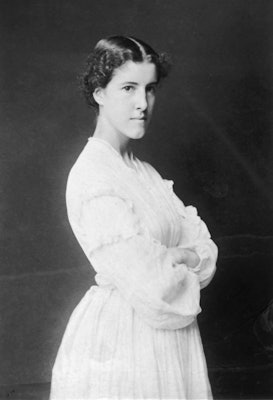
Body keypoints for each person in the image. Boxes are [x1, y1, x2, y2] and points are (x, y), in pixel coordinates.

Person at [50, 35, 218, 400]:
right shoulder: (93, 174)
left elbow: (204, 250)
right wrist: (180, 258)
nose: (142, 103)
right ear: (99, 92)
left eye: (150, 89)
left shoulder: (146, 173)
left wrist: (181, 257)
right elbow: (153, 287)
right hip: (123, 343)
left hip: (172, 340)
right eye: (128, 88)